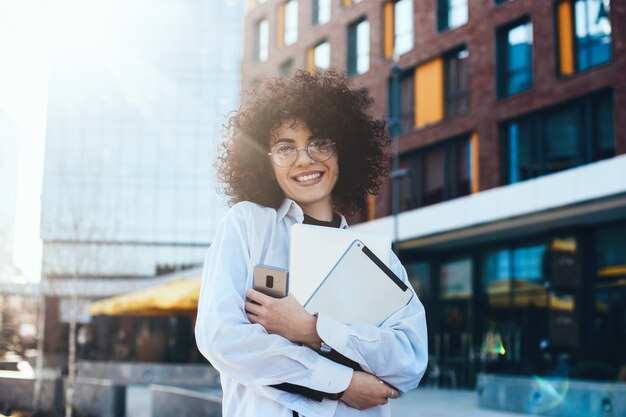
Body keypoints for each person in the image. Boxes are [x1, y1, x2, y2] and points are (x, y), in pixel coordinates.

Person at [195, 70, 427, 417]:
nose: (304, 159)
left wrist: (314, 330)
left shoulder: (379, 259)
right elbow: (222, 338)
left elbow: (409, 360)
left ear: (342, 151)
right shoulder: (249, 225)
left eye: (319, 142)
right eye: (285, 148)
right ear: (266, 162)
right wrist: (344, 383)